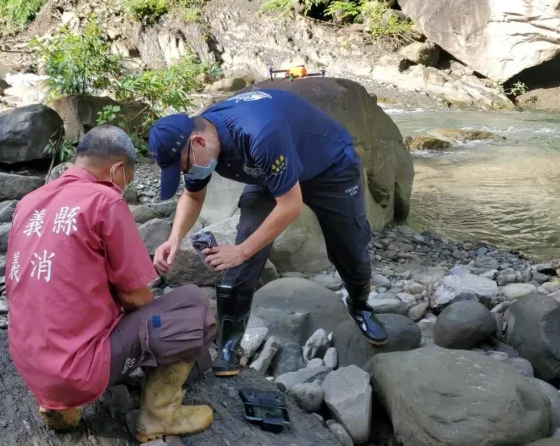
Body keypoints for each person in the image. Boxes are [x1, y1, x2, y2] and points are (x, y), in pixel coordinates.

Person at [148, 88, 387, 378]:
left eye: (185, 166)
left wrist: (242, 250)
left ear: (197, 141)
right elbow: (193, 196)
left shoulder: (258, 134)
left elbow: (290, 207)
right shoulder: (204, 143)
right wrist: (174, 239)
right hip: (269, 173)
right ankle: (229, 346)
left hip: (328, 167)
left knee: (349, 247)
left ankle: (359, 304)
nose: (189, 173)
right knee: (243, 251)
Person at [5, 126, 216, 442]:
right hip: (78, 372)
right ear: (118, 169)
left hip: (30, 364)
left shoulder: (30, 201)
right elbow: (134, 299)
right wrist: (168, 336)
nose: (123, 188)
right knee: (193, 306)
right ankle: (159, 415)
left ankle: (56, 406)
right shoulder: (104, 201)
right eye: (126, 181)